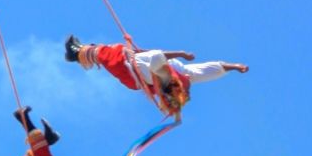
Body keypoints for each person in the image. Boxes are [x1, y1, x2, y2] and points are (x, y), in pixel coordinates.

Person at [64, 36, 248, 116]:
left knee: (105, 53)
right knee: (110, 52)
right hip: (135, 69)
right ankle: (79, 52)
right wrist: (233, 66)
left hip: (128, 68)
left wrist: (181, 53)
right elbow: (207, 70)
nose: (189, 91)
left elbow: (156, 56)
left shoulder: (162, 73)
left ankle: (77, 52)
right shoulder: (181, 74)